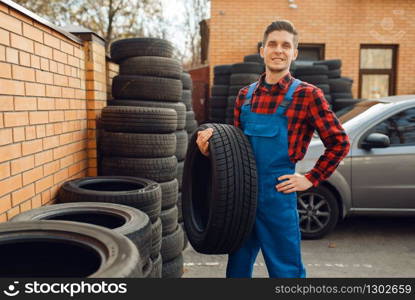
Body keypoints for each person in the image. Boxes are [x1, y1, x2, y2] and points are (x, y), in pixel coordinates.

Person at [196, 20, 350, 278]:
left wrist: (310, 179)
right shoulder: (245, 95)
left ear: (294, 53)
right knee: (237, 270)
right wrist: (209, 151)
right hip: (242, 197)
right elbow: (237, 150)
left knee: (286, 272)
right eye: (272, 44)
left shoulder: (308, 95)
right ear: (262, 50)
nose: (279, 50)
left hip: (278, 195)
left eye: (285, 45)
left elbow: (339, 143)